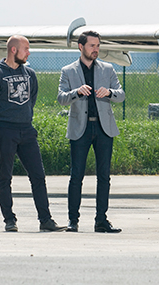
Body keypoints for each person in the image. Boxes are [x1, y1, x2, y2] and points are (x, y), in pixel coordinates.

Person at [0, 35, 65, 233]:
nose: (28, 52)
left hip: (26, 130)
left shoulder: (30, 74)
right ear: (13, 50)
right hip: (4, 130)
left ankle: (46, 220)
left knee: (38, 175)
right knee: (5, 176)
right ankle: (9, 220)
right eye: (25, 49)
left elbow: (31, 99)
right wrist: (2, 121)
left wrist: (22, 118)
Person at [57, 30, 125, 233]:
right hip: (80, 129)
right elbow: (61, 97)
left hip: (104, 128)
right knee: (76, 175)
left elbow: (120, 95)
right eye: (92, 46)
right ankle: (73, 221)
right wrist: (76, 92)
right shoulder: (68, 71)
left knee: (104, 176)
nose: (96, 50)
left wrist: (110, 93)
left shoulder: (108, 69)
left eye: (98, 46)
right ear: (81, 47)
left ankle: (101, 221)